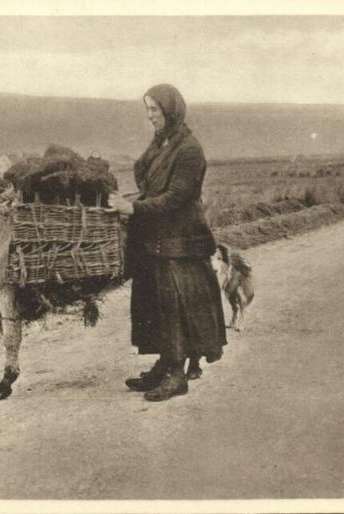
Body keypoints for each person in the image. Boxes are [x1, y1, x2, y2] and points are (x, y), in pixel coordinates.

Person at [109, 84, 227, 402]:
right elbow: (146, 176)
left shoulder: (189, 150)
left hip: (181, 241)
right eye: (147, 110)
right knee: (154, 304)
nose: (149, 116)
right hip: (156, 238)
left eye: (154, 110)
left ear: (170, 111)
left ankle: (178, 374)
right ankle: (165, 363)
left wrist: (133, 207)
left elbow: (176, 197)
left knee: (174, 306)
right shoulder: (165, 144)